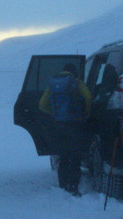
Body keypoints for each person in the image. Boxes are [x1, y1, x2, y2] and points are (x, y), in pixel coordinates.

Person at [39, 62, 93, 196]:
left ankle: (63, 186)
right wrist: (86, 113)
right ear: (73, 72)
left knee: (63, 157)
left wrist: (54, 113)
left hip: (59, 125)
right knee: (75, 157)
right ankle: (73, 187)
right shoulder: (76, 82)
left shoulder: (52, 84)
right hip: (75, 125)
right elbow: (88, 97)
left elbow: (42, 105)